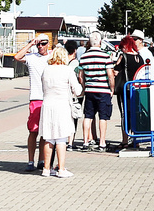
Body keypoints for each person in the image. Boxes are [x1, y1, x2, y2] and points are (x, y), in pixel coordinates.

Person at [37, 45, 82, 177]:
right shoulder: (67, 70)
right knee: (61, 138)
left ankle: (46, 168)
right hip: (61, 106)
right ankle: (61, 169)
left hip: (47, 106)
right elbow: (77, 90)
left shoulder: (46, 70)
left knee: (49, 138)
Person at [76, 33, 117, 152]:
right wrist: (112, 88)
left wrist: (84, 86)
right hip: (103, 90)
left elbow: (80, 76)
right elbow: (110, 75)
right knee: (102, 117)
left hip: (90, 90)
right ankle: (102, 143)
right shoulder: (105, 56)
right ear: (100, 42)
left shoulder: (84, 57)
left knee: (88, 116)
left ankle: (85, 141)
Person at [18, 36, 49, 169]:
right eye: (38, 44)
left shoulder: (53, 57)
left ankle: (42, 160)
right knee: (33, 131)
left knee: (45, 132)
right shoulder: (31, 57)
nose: (40, 46)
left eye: (43, 44)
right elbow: (17, 57)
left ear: (48, 44)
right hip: (36, 98)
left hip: (49, 98)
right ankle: (31, 161)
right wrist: (31, 44)